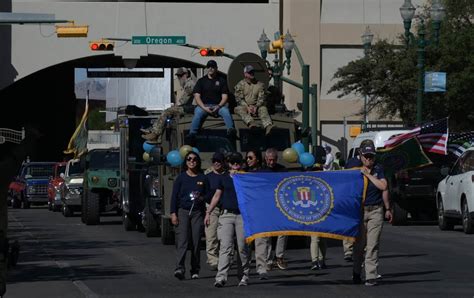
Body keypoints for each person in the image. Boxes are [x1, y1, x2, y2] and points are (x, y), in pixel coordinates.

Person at [205, 152, 251, 288]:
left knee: (242, 247)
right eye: (232, 163)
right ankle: (220, 277)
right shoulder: (224, 178)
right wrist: (208, 212)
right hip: (226, 215)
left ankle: (243, 276)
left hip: (242, 216)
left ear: (241, 164)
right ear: (228, 164)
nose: (235, 166)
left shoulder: (246, 178)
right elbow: (216, 196)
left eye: (238, 163)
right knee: (225, 246)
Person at [352, 142, 393, 286]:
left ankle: (371, 275)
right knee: (359, 246)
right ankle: (356, 272)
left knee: (372, 245)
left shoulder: (378, 169)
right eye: (366, 156)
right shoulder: (354, 169)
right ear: (361, 155)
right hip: (360, 211)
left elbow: (383, 186)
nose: (369, 159)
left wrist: (387, 209)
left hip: (375, 210)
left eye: (371, 157)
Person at [170, 151, 210, 280]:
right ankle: (179, 268)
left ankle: (195, 269)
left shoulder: (202, 178)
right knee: (182, 241)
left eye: (194, 159)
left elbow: (209, 195)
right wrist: (173, 213)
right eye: (189, 159)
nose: (191, 161)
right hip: (183, 211)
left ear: (198, 161)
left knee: (196, 241)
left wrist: (201, 197)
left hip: (197, 213)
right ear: (186, 162)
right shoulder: (181, 178)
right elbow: (174, 197)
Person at [141, 67, 196, 143]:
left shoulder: (190, 84)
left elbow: (183, 101)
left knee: (167, 112)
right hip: (188, 107)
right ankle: (156, 135)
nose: (179, 78)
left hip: (191, 108)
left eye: (180, 76)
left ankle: (155, 133)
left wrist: (174, 107)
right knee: (168, 114)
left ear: (186, 75)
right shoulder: (187, 84)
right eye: (178, 76)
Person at [188, 60, 236, 139]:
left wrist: (218, 106)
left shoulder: (222, 81)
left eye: (213, 67)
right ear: (206, 68)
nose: (211, 68)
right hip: (203, 106)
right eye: (209, 67)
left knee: (226, 111)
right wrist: (204, 108)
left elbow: (225, 97)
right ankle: (192, 134)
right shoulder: (201, 81)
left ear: (216, 68)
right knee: (197, 113)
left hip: (218, 106)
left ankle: (231, 130)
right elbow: (197, 96)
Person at [259, 148, 287, 270]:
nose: (271, 162)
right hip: (266, 206)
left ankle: (279, 257)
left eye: (273, 160)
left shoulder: (282, 170)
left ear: (277, 159)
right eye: (269, 160)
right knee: (268, 233)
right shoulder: (260, 172)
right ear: (265, 159)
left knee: (283, 231)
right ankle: (269, 260)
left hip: (280, 205)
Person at [243, 149, 269, 279]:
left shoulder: (265, 173)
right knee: (246, 242)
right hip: (247, 211)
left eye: (250, 158)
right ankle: (245, 269)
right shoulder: (242, 174)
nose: (248, 160)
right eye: (247, 158)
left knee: (261, 241)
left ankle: (262, 269)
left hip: (261, 211)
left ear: (257, 159)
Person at [234, 65, 273, 135]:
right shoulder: (240, 85)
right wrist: (247, 107)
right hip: (245, 107)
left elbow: (261, 98)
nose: (252, 73)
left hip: (256, 107)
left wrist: (256, 106)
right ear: (245, 74)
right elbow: (239, 99)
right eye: (249, 72)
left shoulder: (260, 85)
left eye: (252, 72)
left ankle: (268, 126)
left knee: (263, 108)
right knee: (238, 109)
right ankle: (251, 123)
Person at [204, 152, 227, 271]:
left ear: (223, 162)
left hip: (226, 208)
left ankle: (224, 258)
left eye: (219, 161)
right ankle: (213, 260)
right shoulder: (207, 176)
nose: (216, 163)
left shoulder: (228, 175)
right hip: (211, 208)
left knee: (224, 236)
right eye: (214, 161)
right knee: (211, 235)